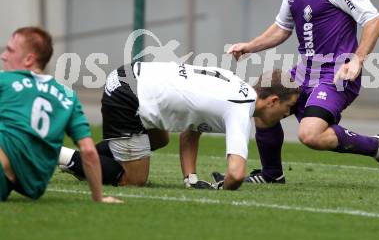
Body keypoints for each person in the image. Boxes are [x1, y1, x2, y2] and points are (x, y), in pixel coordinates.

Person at [222, 0, 379, 184]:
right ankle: (272, 174)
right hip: (304, 71)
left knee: (310, 135)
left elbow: (374, 20)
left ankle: (377, 146)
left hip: (336, 74)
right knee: (262, 107)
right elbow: (282, 28)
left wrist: (357, 59)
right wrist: (250, 46)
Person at [58, 62, 300, 190]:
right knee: (133, 180)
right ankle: (60, 154)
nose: (287, 114)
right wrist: (222, 187)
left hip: (131, 75)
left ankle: (87, 160)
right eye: (288, 108)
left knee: (160, 139)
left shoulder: (236, 84)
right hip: (129, 96)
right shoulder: (239, 109)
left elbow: (191, 130)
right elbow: (236, 175)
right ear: (273, 101)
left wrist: (191, 178)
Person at [0, 26, 121, 202]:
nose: (4, 55)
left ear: (29, 59)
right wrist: (99, 198)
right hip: (34, 182)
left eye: (10, 50)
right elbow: (88, 151)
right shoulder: (68, 97)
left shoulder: (6, 81)